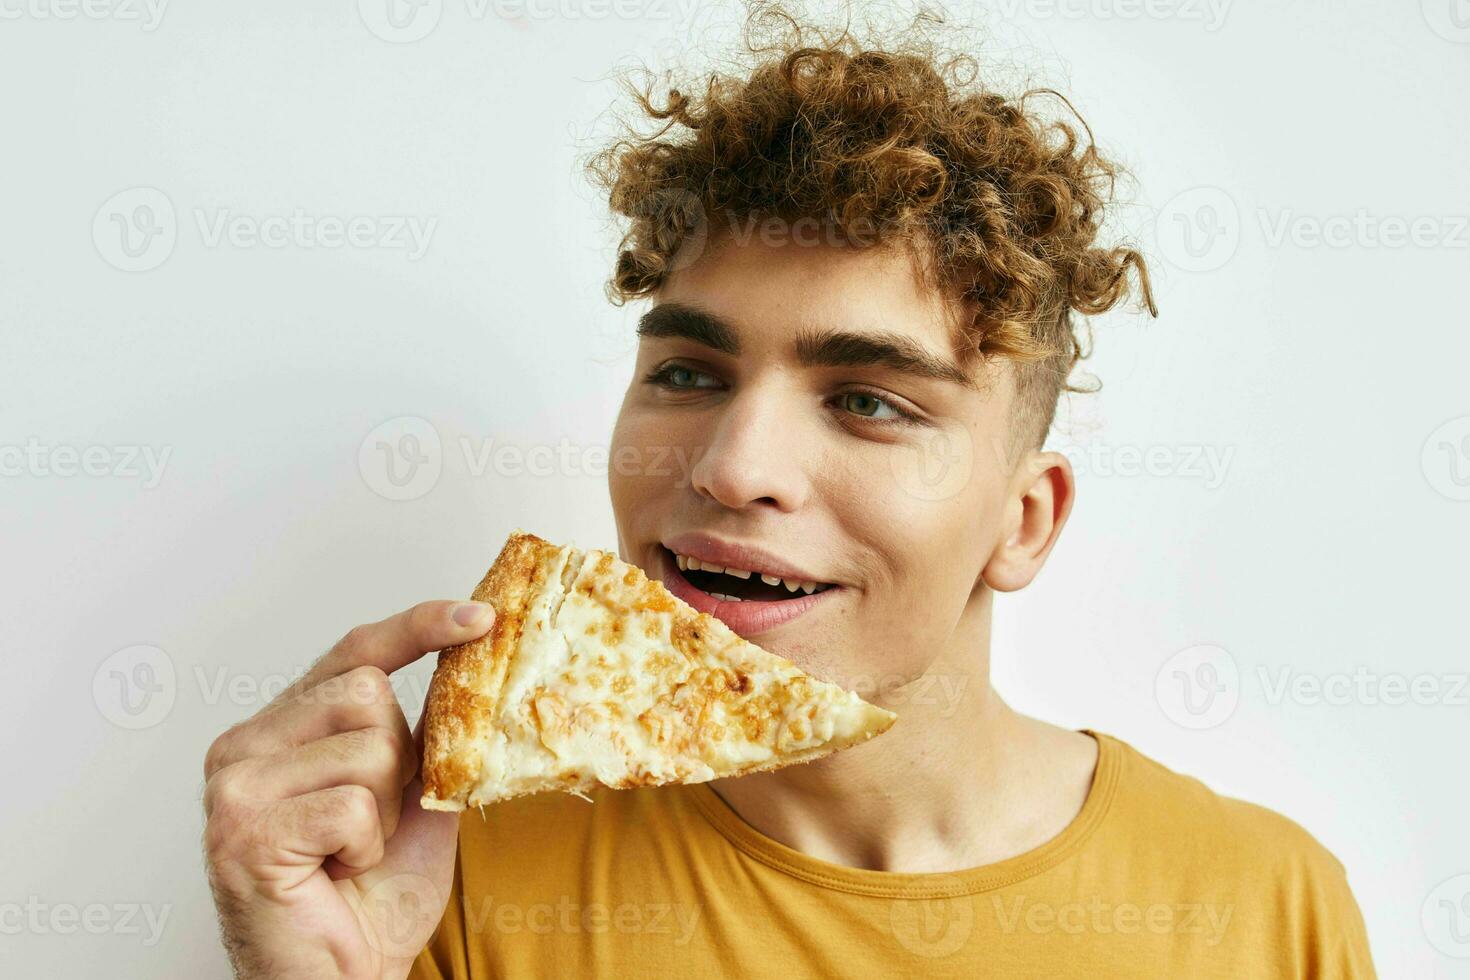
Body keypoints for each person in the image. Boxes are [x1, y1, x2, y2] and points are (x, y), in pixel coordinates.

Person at [201, 4, 1376, 976]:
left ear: (1025, 522)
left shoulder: (1261, 907)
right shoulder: (436, 873)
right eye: (686, 372)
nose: (729, 465)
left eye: (869, 399)